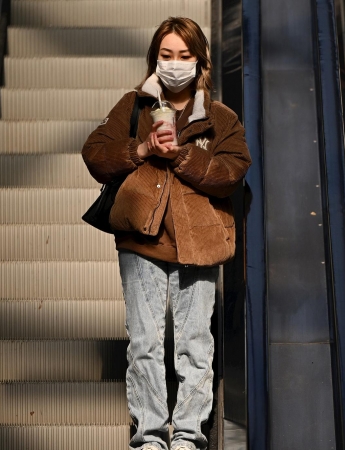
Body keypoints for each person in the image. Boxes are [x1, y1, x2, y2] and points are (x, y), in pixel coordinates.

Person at [81, 17, 251, 450]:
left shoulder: (220, 119)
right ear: (155, 59)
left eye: (184, 56)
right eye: (166, 55)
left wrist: (180, 156)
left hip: (200, 239)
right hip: (141, 235)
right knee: (145, 342)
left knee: (195, 343)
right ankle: (150, 436)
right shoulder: (134, 106)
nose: (174, 64)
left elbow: (231, 173)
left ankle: (190, 436)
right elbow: (95, 153)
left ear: (200, 61)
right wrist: (141, 150)